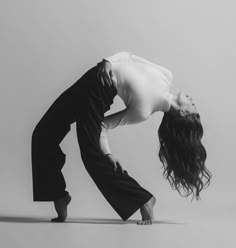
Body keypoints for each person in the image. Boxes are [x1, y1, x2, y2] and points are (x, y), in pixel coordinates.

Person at [31, 51, 211, 225]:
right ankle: (58, 195)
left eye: (193, 107)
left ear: (181, 113)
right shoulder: (166, 75)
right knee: (43, 134)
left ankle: (144, 199)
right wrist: (108, 61)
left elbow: (104, 125)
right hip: (96, 74)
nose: (193, 100)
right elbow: (129, 57)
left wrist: (108, 154)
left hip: (98, 92)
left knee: (93, 156)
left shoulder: (143, 111)